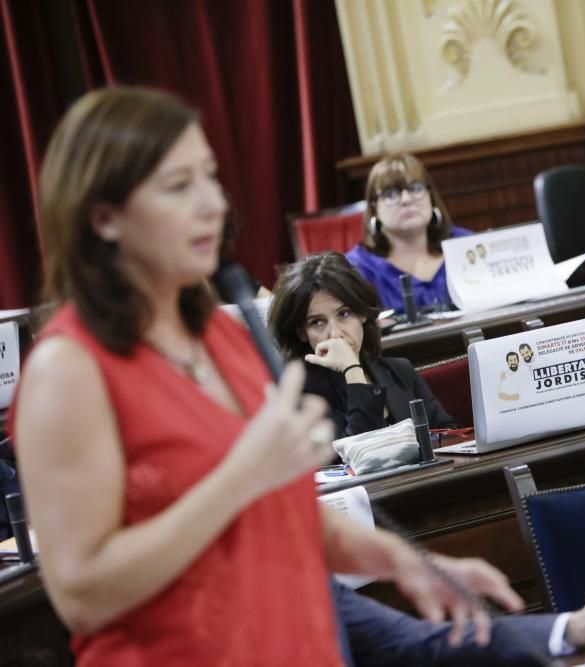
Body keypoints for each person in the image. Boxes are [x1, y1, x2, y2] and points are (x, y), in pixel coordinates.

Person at [11, 86, 521, 665]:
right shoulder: (67, 371)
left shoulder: (221, 335)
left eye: (208, 177)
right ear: (105, 217)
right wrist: (243, 475)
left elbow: (290, 514)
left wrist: (412, 563)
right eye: (179, 186)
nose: (211, 204)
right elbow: (83, 594)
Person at [269, 252, 460, 436]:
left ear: (362, 314)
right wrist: (353, 371)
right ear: (302, 333)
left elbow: (449, 433)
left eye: (344, 314)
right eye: (317, 322)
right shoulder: (302, 393)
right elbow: (357, 457)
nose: (335, 334)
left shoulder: (399, 371)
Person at [346, 153, 472, 313]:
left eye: (415, 188)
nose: (406, 199)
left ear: (431, 197)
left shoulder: (466, 246)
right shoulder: (358, 269)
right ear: (374, 208)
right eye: (391, 193)